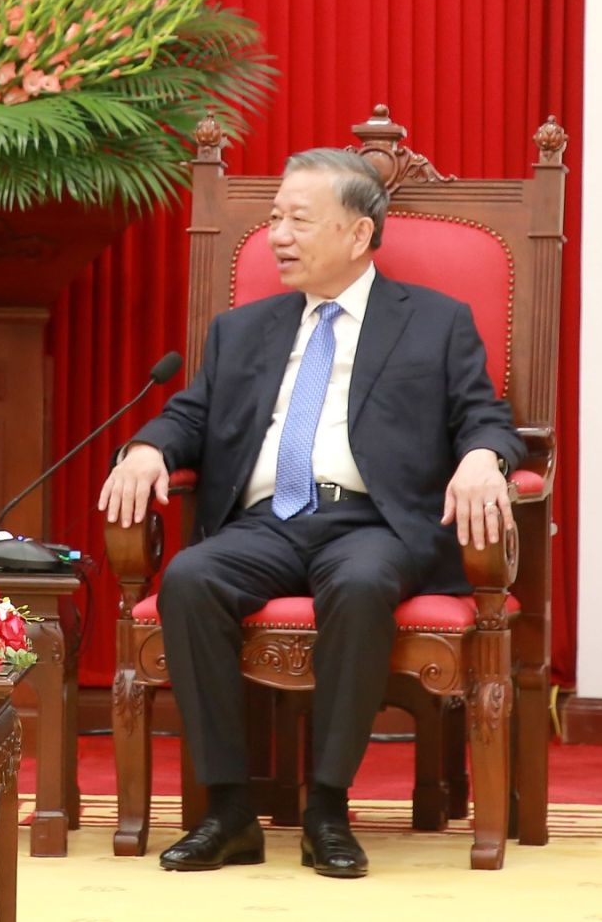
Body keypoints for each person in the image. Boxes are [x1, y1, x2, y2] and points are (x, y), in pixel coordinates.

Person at [98, 148, 521, 879]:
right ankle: (229, 811)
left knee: (359, 584)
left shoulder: (435, 323)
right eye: (274, 219)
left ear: (358, 234)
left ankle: (327, 807)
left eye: (299, 220)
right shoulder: (243, 329)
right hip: (263, 523)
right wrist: (146, 448)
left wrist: (485, 458)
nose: (279, 237)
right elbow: (189, 416)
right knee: (191, 578)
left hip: (371, 525)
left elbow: (486, 417)